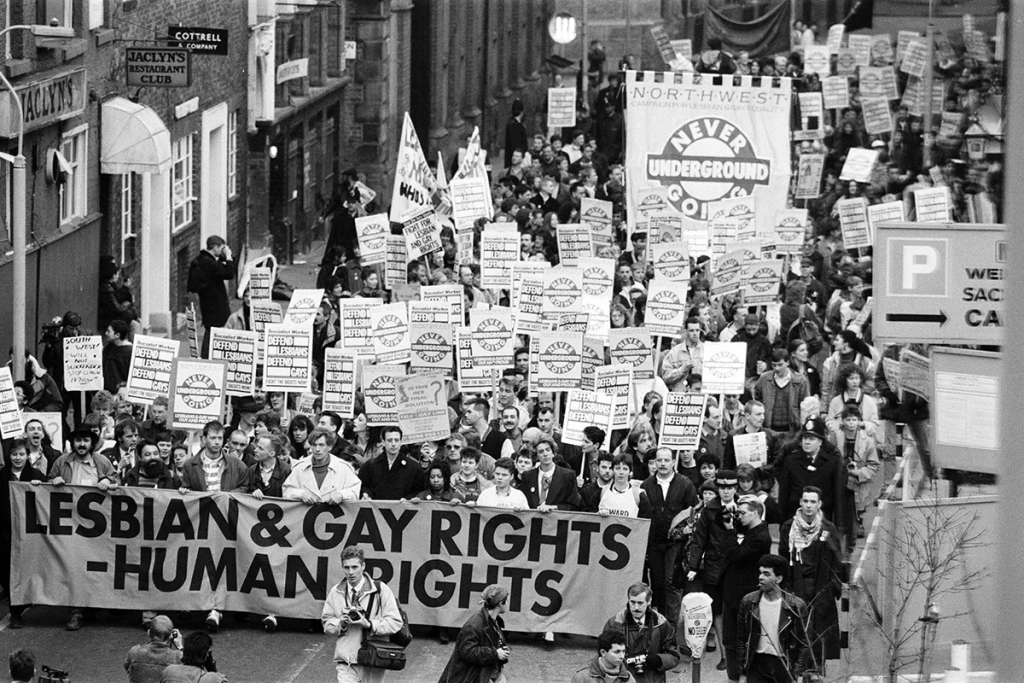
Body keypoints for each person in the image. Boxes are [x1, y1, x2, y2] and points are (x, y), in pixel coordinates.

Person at [779, 487, 843, 673]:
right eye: (805, 501)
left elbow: (837, 560)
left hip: (820, 587)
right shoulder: (788, 528)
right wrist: (785, 587)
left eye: (812, 502)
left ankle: (817, 672)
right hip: (796, 585)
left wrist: (832, 587)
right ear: (800, 502)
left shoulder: (827, 528)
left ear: (819, 504)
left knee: (819, 633)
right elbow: (783, 558)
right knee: (796, 631)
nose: (808, 505)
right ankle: (795, 672)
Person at [322, 546, 403, 683]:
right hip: (346, 661)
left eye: (355, 567)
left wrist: (369, 624)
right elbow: (327, 623)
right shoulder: (336, 592)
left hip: (373, 660)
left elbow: (396, 623)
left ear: (363, 566)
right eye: (346, 568)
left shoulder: (380, 590)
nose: (351, 572)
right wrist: (340, 623)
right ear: (342, 567)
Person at [641, 447, 698, 634]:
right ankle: (661, 625)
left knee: (671, 583)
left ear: (674, 462)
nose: (663, 464)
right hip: (655, 542)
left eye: (666, 460)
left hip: (676, 543)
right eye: (659, 460)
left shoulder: (685, 484)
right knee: (656, 583)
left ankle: (672, 629)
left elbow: (693, 511)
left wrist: (686, 531)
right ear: (655, 463)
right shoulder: (646, 485)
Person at [720, 498, 773, 681]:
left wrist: (729, 531)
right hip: (734, 593)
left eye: (743, 513)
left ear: (755, 513)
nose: (739, 517)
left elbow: (735, 554)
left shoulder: (761, 538)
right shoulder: (750, 530)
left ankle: (738, 675)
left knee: (739, 640)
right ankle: (735, 674)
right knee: (730, 639)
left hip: (744, 595)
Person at [736, 555, 812, 682]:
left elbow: (805, 643)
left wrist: (797, 673)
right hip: (757, 664)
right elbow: (741, 639)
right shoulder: (749, 602)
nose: (760, 577)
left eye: (766, 574)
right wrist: (742, 672)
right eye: (760, 573)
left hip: (783, 665)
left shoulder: (796, 606)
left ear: (778, 578)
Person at [602, 582, 680, 683]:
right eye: (632, 602)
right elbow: (603, 654)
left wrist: (658, 660)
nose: (636, 608)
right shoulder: (614, 624)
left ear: (649, 601)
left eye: (640, 603)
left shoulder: (661, 624)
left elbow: (674, 655)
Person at [776, 417, 845, 530]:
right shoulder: (791, 461)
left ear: (820, 442)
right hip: (795, 520)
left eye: (811, 439)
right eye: (804, 438)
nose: (807, 442)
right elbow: (784, 494)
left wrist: (839, 524)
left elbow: (838, 495)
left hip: (822, 521)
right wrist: (783, 524)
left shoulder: (832, 462)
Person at [438, 584, 511, 683]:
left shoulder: (494, 621)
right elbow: (467, 651)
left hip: (489, 673)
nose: (508, 603)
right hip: (473, 676)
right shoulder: (473, 625)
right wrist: (495, 653)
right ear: (500, 603)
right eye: (506, 601)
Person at [188, 235, 237, 358]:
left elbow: (217, 272)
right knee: (213, 332)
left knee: (211, 331)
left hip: (208, 303)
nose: (222, 251)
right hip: (215, 304)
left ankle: (208, 356)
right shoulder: (208, 262)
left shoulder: (201, 260)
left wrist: (221, 258)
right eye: (221, 248)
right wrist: (229, 257)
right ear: (215, 247)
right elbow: (229, 273)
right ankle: (207, 357)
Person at [358, 425, 425, 500]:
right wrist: (366, 494)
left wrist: (409, 499)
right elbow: (362, 485)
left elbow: (420, 490)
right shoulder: (370, 465)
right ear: (383, 442)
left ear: (401, 442)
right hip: (376, 509)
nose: (393, 444)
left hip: (402, 509)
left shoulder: (414, 467)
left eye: (396, 440)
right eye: (389, 440)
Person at [754, 349, 809, 435]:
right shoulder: (764, 378)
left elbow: (805, 406)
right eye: (774, 365)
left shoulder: (800, 380)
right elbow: (757, 398)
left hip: (792, 430)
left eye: (780, 365)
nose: (777, 368)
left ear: (787, 363)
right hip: (769, 429)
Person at [125, 614, 183, 683]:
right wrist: (180, 647)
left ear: (149, 632)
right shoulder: (177, 657)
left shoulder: (134, 652)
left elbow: (127, 667)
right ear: (171, 636)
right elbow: (189, 672)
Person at [570, 626, 635, 683]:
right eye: (617, 652)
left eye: (623, 651)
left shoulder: (629, 679)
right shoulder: (582, 678)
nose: (622, 656)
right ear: (603, 652)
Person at [158, 631, 226, 683]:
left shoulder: (169, 671)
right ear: (206, 654)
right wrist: (212, 669)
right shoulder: (212, 678)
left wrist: (181, 648)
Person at [659, 317, 704, 392]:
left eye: (697, 330)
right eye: (691, 330)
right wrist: (682, 369)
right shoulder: (675, 352)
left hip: (701, 394)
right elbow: (665, 377)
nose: (695, 333)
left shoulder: (706, 350)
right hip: (680, 394)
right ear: (686, 331)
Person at [599, 453, 648, 518]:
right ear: (613, 470)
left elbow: (645, 522)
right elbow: (589, 516)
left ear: (630, 472)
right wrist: (598, 514)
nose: (621, 472)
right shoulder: (602, 491)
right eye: (617, 468)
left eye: (625, 469)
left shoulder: (639, 495)